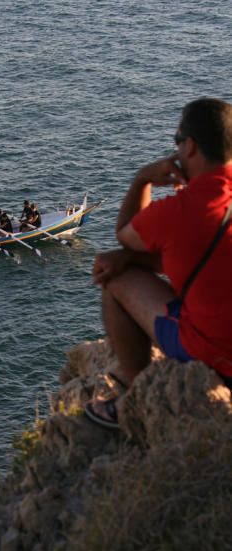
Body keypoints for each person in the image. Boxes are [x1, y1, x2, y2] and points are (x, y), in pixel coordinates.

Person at [85, 98, 232, 429]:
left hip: (216, 355)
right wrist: (131, 258)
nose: (177, 151)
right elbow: (207, 255)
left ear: (191, 146)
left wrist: (143, 179)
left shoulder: (180, 212)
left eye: (177, 141)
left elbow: (125, 233)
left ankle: (136, 401)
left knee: (115, 280)